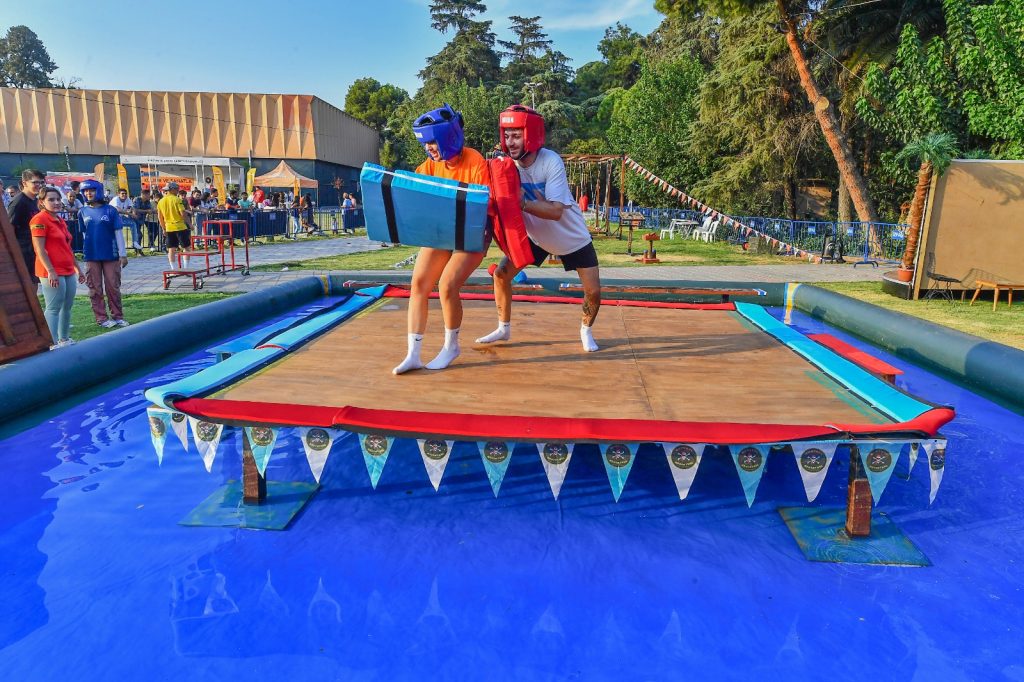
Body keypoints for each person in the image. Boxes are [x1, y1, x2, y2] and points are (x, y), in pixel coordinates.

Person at [477, 105, 602, 353]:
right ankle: (503, 327)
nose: (510, 142)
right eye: (507, 135)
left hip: (571, 236)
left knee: (593, 291)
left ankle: (585, 330)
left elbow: (556, 211)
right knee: (500, 275)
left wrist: (521, 202)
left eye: (516, 136)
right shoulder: (506, 166)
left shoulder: (550, 161)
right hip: (535, 238)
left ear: (531, 135)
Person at [393, 103, 489, 375]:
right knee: (419, 284)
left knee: (447, 285)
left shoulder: (475, 162)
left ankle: (451, 346)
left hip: (471, 235)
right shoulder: (428, 167)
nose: (429, 149)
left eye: (432, 142)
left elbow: (481, 210)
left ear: (449, 136)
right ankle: (413, 354)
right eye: (426, 144)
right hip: (442, 233)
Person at [30, 186, 85, 348]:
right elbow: (39, 249)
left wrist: (78, 269)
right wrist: (51, 271)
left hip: (67, 268)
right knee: (53, 307)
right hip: (51, 271)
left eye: (58, 199)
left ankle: (64, 339)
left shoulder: (60, 220)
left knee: (67, 306)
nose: (56, 202)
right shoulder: (39, 220)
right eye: (51, 200)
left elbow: (67, 248)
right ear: (41, 202)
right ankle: (51, 343)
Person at [79, 180, 129, 328]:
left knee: (113, 286)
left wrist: (123, 254)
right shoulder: (82, 211)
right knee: (94, 288)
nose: (88, 193)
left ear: (99, 191)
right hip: (91, 255)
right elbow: (84, 234)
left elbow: (118, 233)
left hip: (111, 254)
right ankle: (101, 318)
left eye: (92, 190)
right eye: (86, 191)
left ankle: (118, 316)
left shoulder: (111, 210)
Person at [7, 169, 46, 283]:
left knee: (35, 281)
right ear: (24, 183)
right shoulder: (18, 202)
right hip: (23, 249)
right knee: (28, 283)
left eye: (41, 182)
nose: (39, 185)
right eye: (35, 182)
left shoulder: (35, 201)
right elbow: (10, 229)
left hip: (34, 247)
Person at [157, 181, 191, 268]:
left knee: (171, 249)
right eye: (177, 189)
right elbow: (183, 214)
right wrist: (189, 224)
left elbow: (160, 217)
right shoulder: (177, 199)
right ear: (172, 189)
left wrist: (163, 228)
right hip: (180, 227)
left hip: (169, 227)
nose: (178, 191)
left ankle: (173, 269)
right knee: (186, 247)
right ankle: (186, 268)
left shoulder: (161, 201)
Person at [110, 187, 142, 254]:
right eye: (122, 193)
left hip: (120, 217)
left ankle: (135, 242)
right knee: (115, 235)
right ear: (118, 194)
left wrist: (134, 213)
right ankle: (114, 251)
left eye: (125, 193)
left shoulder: (127, 199)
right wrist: (130, 214)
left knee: (133, 223)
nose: (124, 195)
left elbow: (132, 207)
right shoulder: (116, 199)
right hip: (112, 218)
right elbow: (118, 210)